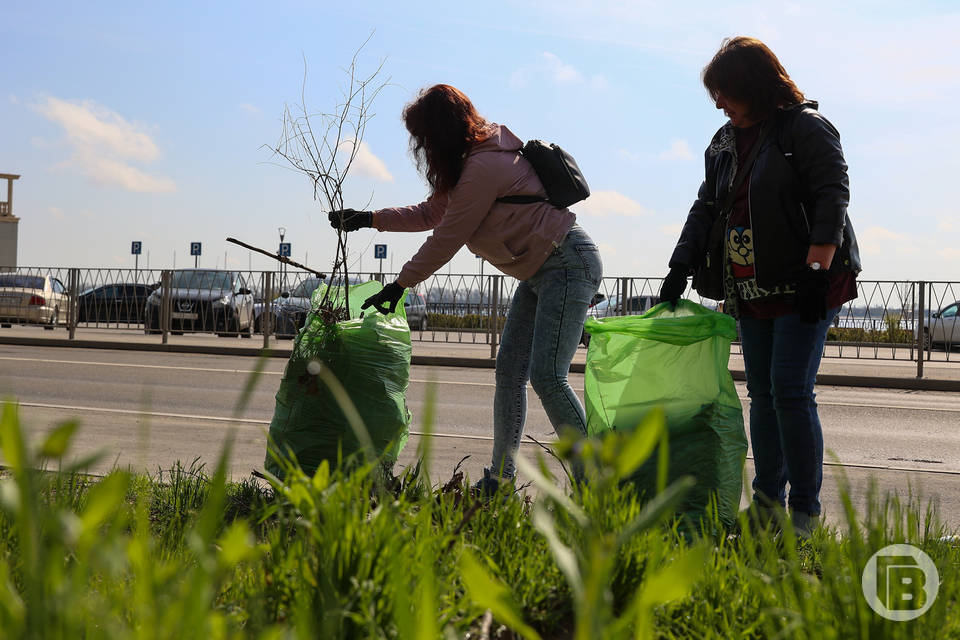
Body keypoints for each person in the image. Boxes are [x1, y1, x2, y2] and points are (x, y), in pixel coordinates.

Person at [329, 84, 602, 493]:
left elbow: (448, 236)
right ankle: (501, 481)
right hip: (539, 269)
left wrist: (400, 285)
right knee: (510, 374)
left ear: (440, 131)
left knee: (548, 377)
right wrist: (370, 219)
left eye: (423, 136)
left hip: (565, 261)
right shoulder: (471, 166)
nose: (420, 145)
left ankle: (598, 485)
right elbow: (431, 213)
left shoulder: (484, 167)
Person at [659, 37, 861, 538]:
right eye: (716, 98)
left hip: (804, 282)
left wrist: (818, 269)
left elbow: (832, 194)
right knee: (764, 395)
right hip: (749, 287)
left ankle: (805, 514)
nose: (721, 105)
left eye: (726, 93)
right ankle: (769, 504)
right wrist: (680, 266)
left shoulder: (804, 127)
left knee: (791, 392)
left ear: (754, 85)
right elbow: (706, 206)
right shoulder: (724, 143)